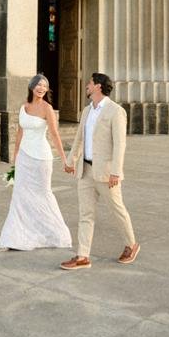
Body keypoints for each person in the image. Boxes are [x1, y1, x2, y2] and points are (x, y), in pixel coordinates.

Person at [60, 72, 139, 270]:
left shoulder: (116, 111)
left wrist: (116, 172)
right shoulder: (87, 110)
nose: (86, 85)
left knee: (116, 209)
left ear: (98, 86)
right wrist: (71, 161)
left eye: (89, 83)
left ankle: (131, 244)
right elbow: (79, 138)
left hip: (106, 173)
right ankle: (82, 256)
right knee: (85, 214)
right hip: (85, 171)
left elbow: (120, 144)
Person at [0, 74, 72, 251]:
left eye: (45, 86)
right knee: (20, 196)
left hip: (41, 159)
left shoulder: (47, 108)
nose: (41, 88)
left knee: (43, 194)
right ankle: (13, 238)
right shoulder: (24, 106)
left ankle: (56, 234)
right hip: (24, 157)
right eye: (39, 84)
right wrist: (15, 155)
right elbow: (20, 132)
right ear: (32, 86)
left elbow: (54, 134)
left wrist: (64, 159)